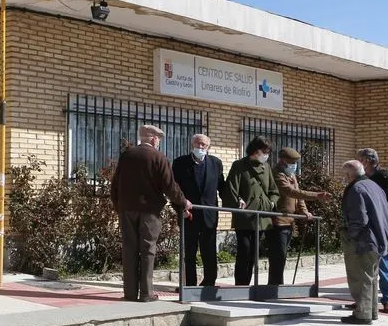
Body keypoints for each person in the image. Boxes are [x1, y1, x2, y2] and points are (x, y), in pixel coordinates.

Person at [110, 125, 191, 302]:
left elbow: (114, 184)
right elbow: (170, 186)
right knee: (148, 250)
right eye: (159, 140)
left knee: (129, 249)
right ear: (154, 139)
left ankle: (130, 293)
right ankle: (146, 293)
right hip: (149, 211)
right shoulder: (158, 157)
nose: (159, 142)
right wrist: (184, 202)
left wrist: (119, 207)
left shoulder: (127, 155)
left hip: (126, 209)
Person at [339, 160, 388, 324]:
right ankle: (371, 312)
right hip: (378, 239)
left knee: (361, 278)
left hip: (364, 241)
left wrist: (352, 236)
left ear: (350, 174)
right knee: (371, 278)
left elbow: (359, 218)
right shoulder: (374, 186)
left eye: (345, 175)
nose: (345, 178)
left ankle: (362, 314)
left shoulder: (356, 189)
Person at [268, 148, 330, 285]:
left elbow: (299, 197)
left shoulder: (291, 175)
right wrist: (317, 196)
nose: (294, 166)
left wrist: (304, 211)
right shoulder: (277, 174)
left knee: (282, 256)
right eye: (291, 163)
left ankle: (278, 285)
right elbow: (291, 192)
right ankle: (274, 286)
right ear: (282, 161)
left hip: (289, 220)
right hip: (278, 221)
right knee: (278, 257)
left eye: (295, 163)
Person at [223, 136, 280, 286]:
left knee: (254, 253)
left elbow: (274, 190)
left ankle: (247, 285)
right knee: (244, 251)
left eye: (268, 152)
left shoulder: (266, 167)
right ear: (255, 150)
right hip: (244, 218)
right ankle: (240, 285)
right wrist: (237, 201)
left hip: (262, 218)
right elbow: (230, 190)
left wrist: (272, 204)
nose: (267, 155)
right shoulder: (239, 165)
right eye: (265, 151)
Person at [172, 134, 224, 286]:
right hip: (188, 215)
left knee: (209, 252)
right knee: (189, 252)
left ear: (208, 147)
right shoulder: (180, 163)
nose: (200, 147)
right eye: (197, 144)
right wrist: (179, 209)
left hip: (209, 215)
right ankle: (189, 285)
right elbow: (174, 189)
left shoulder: (216, 163)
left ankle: (209, 283)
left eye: (204, 145)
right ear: (192, 144)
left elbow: (222, 187)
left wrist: (237, 199)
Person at [357, 148, 388, 312]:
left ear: (367, 161)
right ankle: (365, 299)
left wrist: (378, 215)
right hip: (364, 227)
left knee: (383, 263)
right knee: (363, 266)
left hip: (380, 227)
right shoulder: (361, 178)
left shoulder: (385, 177)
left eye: (361, 159)